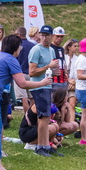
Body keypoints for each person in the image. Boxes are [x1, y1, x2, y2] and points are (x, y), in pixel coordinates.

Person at [0, 33, 54, 169]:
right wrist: (43, 83)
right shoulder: (11, 59)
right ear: (16, 48)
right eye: (20, 47)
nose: (21, 49)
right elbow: (22, 83)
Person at [27, 25, 59, 157]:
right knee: (43, 117)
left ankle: (46, 145)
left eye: (47, 35)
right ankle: (40, 147)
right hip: (38, 86)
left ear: (51, 36)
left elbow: (49, 69)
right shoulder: (36, 50)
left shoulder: (51, 50)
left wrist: (54, 72)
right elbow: (31, 72)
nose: (44, 38)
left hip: (47, 86)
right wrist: (48, 67)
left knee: (47, 117)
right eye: (42, 35)